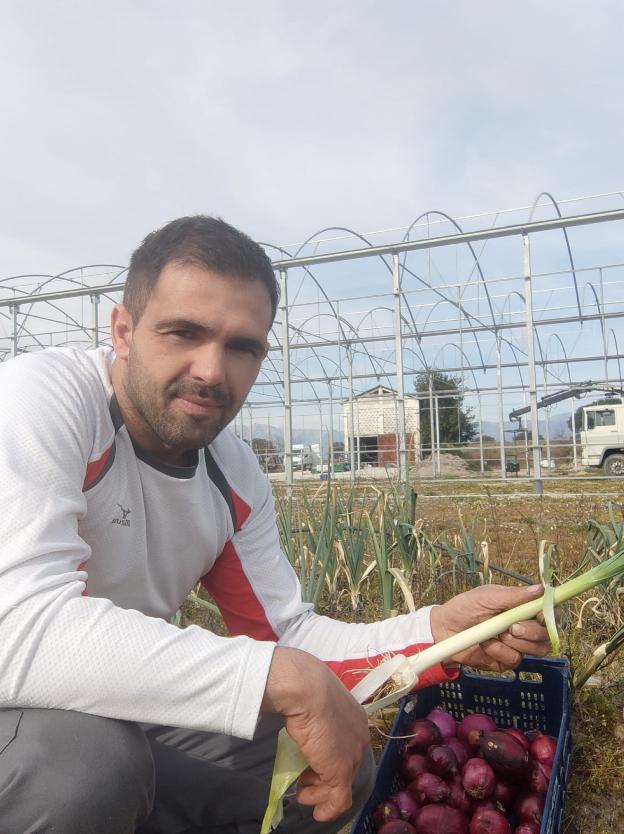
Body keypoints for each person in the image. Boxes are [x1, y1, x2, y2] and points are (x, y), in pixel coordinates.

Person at [0, 216, 551, 834]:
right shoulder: (42, 401)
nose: (211, 370)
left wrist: (437, 632)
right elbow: (15, 627)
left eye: (243, 346)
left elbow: (284, 634)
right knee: (83, 770)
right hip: (26, 717)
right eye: (184, 332)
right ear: (123, 331)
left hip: (100, 706)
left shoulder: (230, 475)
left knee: (327, 767)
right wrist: (279, 676)